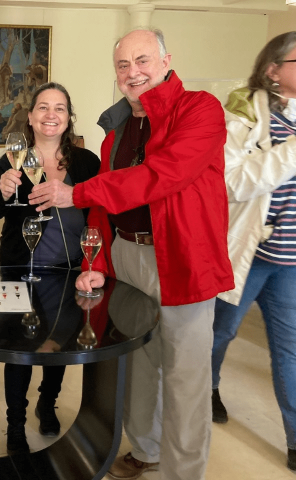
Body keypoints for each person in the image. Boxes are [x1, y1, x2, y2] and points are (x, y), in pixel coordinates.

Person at [28, 29, 234, 479]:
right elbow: (105, 207)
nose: (132, 72)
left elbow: (162, 174)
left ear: (166, 61)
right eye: (123, 65)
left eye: (142, 61)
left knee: (185, 378)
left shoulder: (200, 110)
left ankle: (184, 472)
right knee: (137, 365)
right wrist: (97, 263)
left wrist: (75, 192)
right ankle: (147, 448)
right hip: (127, 255)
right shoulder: (117, 129)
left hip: (182, 260)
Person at [0, 82, 99, 455]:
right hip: (18, 269)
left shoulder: (86, 162)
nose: (51, 114)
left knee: (57, 345)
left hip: (69, 272)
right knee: (18, 351)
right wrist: (0, 190)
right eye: (43, 108)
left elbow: (100, 209)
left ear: (68, 118)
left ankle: (48, 405)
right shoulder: (11, 160)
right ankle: (15, 424)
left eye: (60, 108)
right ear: (30, 117)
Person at [211, 32, 296, 473]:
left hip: (291, 264)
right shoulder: (244, 112)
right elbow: (233, 183)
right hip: (250, 254)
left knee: (289, 351)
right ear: (273, 69)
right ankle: (207, 388)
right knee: (220, 334)